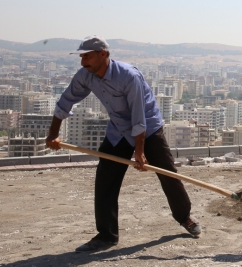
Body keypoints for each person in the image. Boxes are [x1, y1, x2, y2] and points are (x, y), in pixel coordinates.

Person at [46, 35, 202, 252]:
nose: (83, 62)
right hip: (118, 129)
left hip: (148, 128)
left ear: (103, 54)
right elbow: (66, 100)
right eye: (81, 57)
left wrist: (139, 152)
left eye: (87, 57)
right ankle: (106, 235)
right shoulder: (86, 75)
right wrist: (53, 133)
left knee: (168, 174)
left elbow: (138, 117)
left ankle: (185, 217)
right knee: (105, 180)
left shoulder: (128, 76)